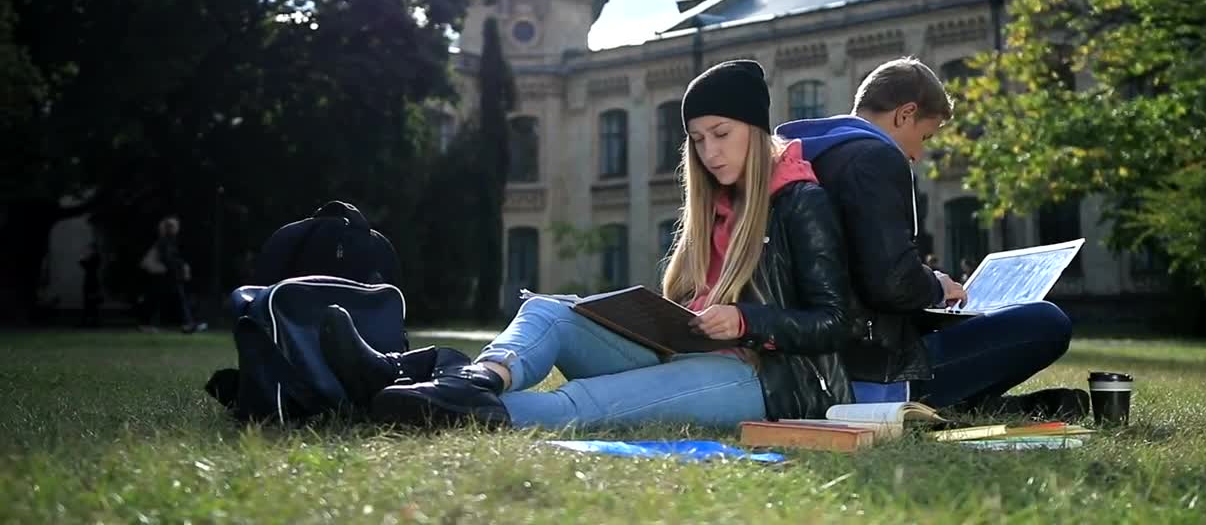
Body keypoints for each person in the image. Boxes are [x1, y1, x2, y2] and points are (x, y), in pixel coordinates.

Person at [320, 59, 855, 429]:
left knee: (579, 403)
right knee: (550, 312)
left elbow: (836, 322)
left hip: (765, 381)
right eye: (696, 138)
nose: (709, 151)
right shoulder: (715, 203)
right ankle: (464, 379)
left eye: (721, 133)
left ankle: (416, 396)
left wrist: (747, 321)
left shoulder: (801, 201)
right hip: (685, 353)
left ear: (755, 130)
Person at [776, 57, 1086, 417]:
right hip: (873, 370)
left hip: (813, 359)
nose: (917, 154)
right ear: (905, 113)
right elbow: (888, 283)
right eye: (924, 137)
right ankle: (939, 405)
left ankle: (984, 407)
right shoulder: (875, 157)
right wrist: (937, 287)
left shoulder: (802, 155)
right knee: (1046, 322)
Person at [139, 216, 207, 334]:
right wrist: (181, 267)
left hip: (166, 277)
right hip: (166, 277)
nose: (177, 229)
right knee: (174, 300)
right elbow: (168, 259)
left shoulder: (167, 242)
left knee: (161, 300)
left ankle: (148, 324)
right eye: (175, 226)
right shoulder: (165, 242)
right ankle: (187, 324)